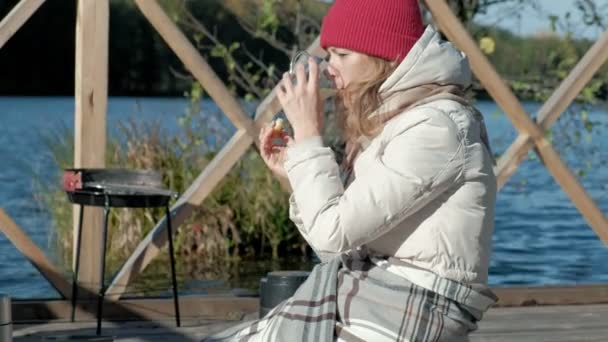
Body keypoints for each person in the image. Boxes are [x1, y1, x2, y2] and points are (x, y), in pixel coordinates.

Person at [205, 0, 497, 341]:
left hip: (416, 305)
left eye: (342, 55)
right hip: (372, 290)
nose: (329, 69)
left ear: (385, 57)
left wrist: (310, 138)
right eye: (328, 55)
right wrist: (295, 169)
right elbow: (338, 241)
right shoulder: (395, 119)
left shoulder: (435, 127)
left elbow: (332, 236)